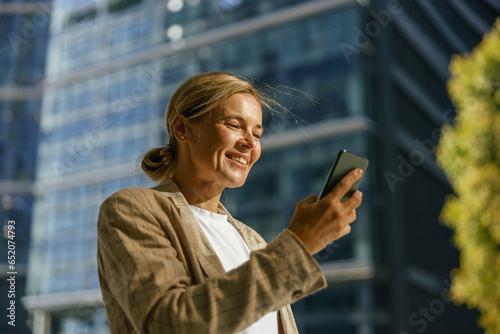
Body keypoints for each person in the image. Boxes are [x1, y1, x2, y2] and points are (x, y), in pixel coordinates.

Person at [96, 72, 363, 334]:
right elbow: (168, 323)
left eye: (257, 134)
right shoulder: (134, 209)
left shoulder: (253, 241)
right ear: (182, 128)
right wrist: (300, 244)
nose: (249, 143)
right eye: (235, 126)